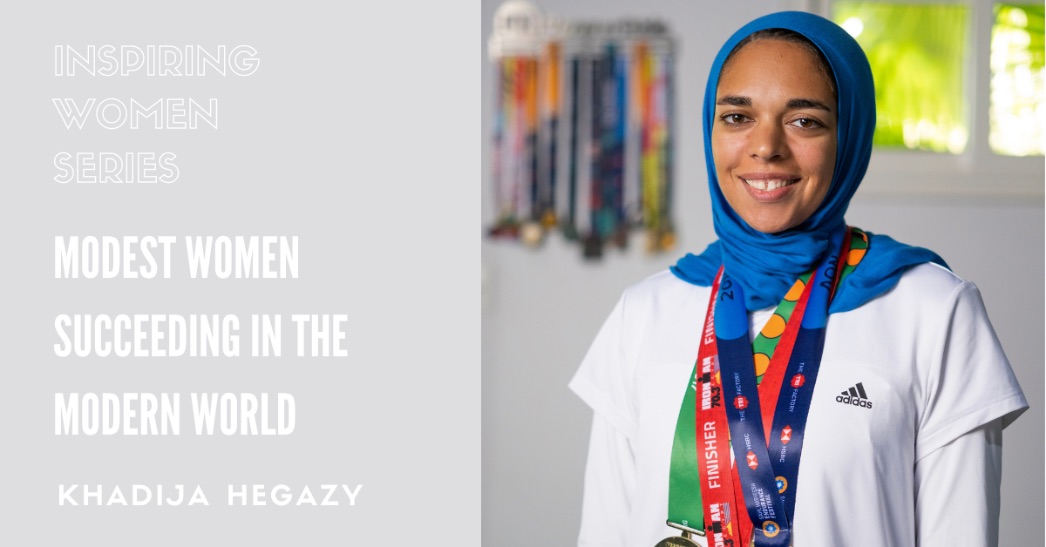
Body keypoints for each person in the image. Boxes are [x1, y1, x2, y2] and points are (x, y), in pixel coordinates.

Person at [569, 11, 1027, 547]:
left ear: (848, 135)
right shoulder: (644, 312)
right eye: (737, 117)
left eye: (804, 121)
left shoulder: (933, 312)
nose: (766, 146)